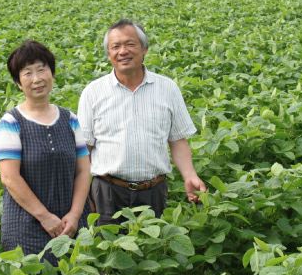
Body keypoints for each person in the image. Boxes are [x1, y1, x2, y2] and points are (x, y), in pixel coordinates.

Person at [78, 19, 207, 225]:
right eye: (115, 46)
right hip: (107, 192)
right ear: (109, 54)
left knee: (154, 242)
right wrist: (81, 194)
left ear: (144, 48)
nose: (123, 51)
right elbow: (85, 149)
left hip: (153, 191)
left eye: (130, 44)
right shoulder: (93, 92)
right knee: (108, 243)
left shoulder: (167, 88)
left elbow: (177, 140)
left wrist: (190, 175)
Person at [0, 40, 91, 263]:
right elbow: (9, 177)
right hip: (26, 228)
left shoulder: (70, 119)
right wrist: (45, 217)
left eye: (41, 69)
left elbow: (84, 171)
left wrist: (75, 215)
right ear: (18, 83)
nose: (36, 79)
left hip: (71, 225)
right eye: (27, 73)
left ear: (52, 73)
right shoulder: (10, 123)